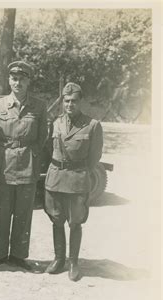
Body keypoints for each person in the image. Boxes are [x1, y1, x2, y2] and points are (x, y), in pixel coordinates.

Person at [0, 61, 48, 271]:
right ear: (9, 80)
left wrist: (30, 153)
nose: (18, 82)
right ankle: (1, 254)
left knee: (24, 211)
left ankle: (19, 255)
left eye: (22, 79)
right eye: (14, 78)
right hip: (4, 163)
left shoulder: (39, 106)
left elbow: (42, 137)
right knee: (3, 210)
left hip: (28, 164)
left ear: (28, 81)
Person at [44, 82, 103, 281]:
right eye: (66, 101)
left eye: (74, 101)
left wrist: (78, 169)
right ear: (63, 102)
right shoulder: (55, 122)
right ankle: (59, 259)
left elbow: (94, 157)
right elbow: (46, 150)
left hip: (77, 179)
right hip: (55, 178)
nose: (70, 105)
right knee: (56, 219)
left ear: (81, 102)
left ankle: (73, 263)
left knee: (75, 222)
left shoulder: (92, 125)